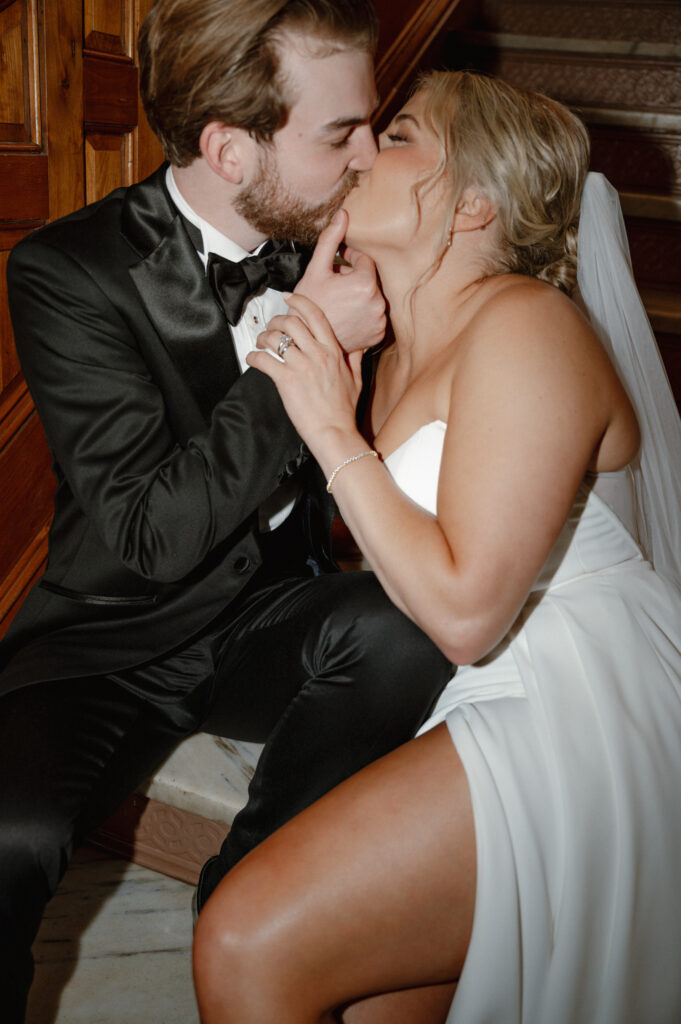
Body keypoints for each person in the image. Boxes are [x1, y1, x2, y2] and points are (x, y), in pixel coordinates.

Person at [192, 71, 681, 1023]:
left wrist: (330, 428)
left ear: (473, 200)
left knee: (245, 940)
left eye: (401, 135)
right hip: (456, 687)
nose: (363, 150)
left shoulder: (527, 324)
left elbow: (462, 612)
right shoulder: (388, 353)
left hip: (570, 693)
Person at [0, 2, 453, 1019]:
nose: (372, 152)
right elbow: (152, 533)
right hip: (112, 636)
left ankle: (245, 901)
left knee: (406, 628)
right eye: (340, 133)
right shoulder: (66, 272)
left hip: (265, 621)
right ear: (228, 149)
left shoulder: (351, 239)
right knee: (6, 836)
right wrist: (307, 344)